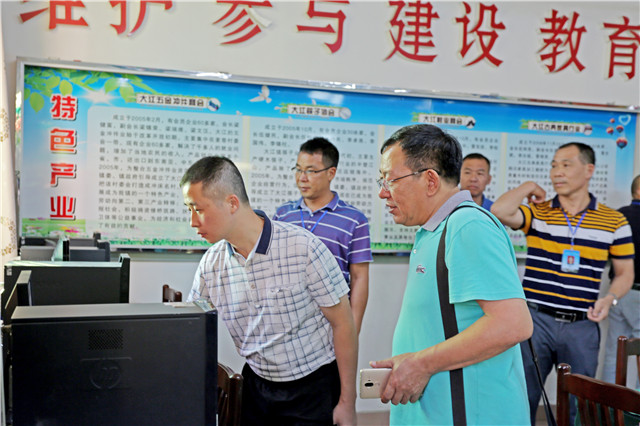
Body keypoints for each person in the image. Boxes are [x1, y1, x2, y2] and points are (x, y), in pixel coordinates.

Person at [370, 124, 533, 425]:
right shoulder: (434, 229)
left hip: (468, 412)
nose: (383, 192)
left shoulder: (468, 227)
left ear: (430, 180)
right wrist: (411, 362)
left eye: (390, 180)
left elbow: (513, 324)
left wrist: (420, 364)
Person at [181, 156, 358, 426]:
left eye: (198, 209)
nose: (193, 222)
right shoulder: (212, 263)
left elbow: (343, 324)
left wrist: (347, 402)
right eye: (188, 210)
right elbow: (191, 327)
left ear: (232, 203)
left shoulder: (303, 248)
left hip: (313, 386)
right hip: (257, 384)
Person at [491, 142, 635, 424]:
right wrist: (528, 186)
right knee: (522, 396)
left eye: (566, 165)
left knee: (580, 404)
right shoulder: (539, 212)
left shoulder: (614, 221)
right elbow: (499, 210)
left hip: (582, 325)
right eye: (554, 165)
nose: (557, 172)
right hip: (535, 321)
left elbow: (625, 273)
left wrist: (610, 298)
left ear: (589, 170)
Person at [273, 137, 373, 333]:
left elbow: (359, 277)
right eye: (298, 169)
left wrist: (352, 330)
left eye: (311, 171)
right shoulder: (283, 215)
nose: (302, 178)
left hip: (332, 324)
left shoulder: (354, 220)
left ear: (331, 173)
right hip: (286, 324)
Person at [602, 174, 640, 388]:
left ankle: (610, 402)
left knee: (615, 350)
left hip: (617, 291)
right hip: (638, 294)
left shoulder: (618, 217)